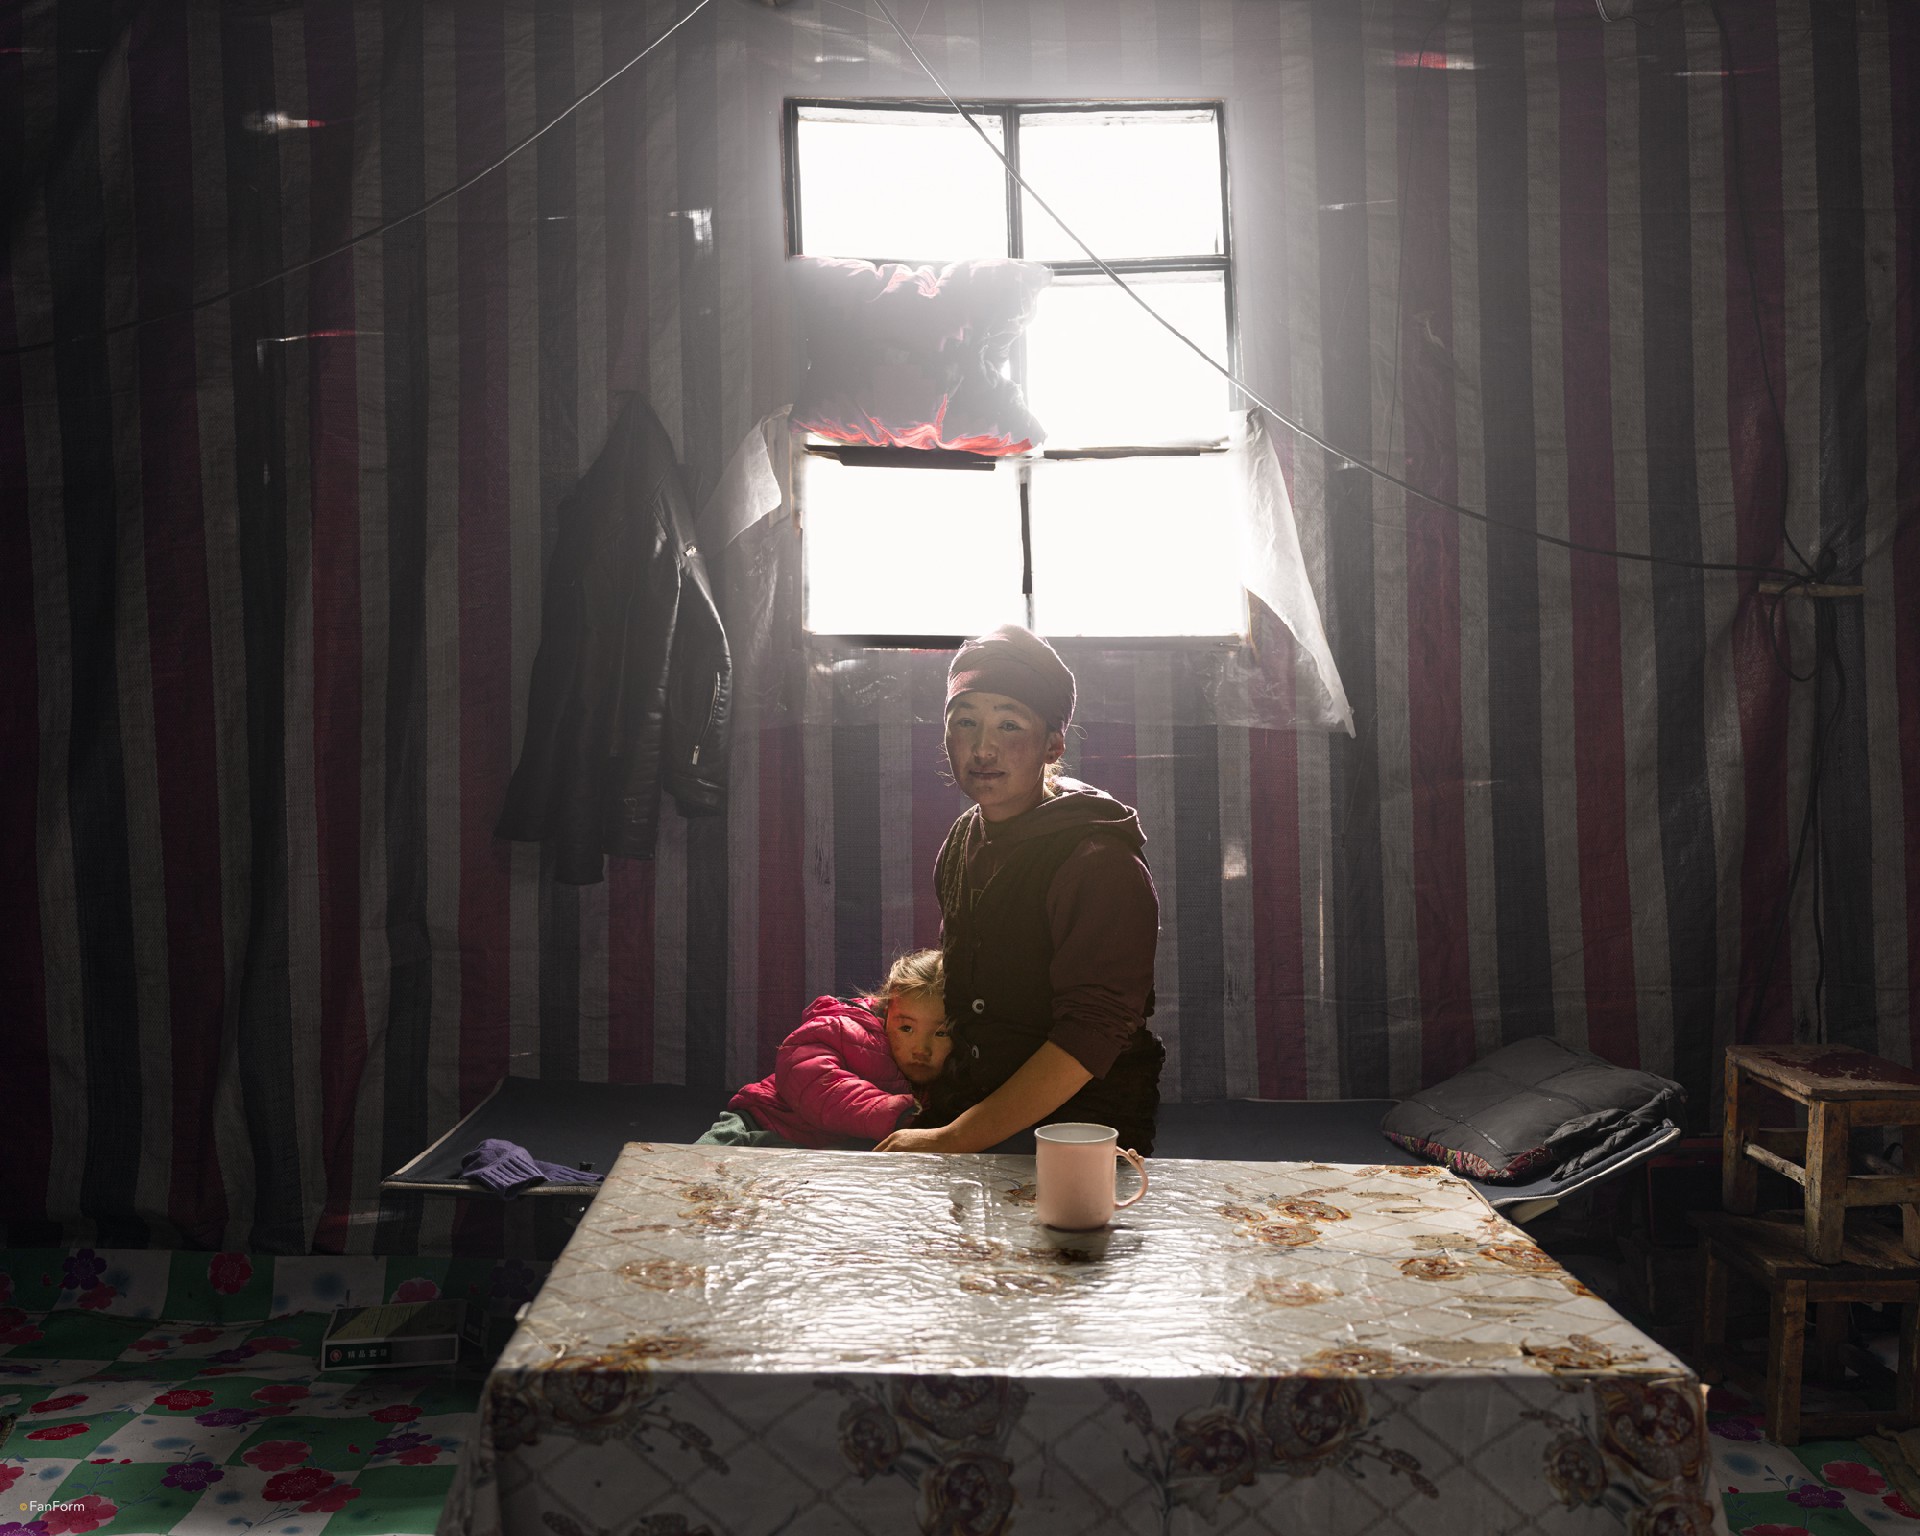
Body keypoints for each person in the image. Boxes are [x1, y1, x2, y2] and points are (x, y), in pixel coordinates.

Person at [876, 625, 1164, 1156]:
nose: (983, 748)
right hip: (973, 1102)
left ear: (1053, 744)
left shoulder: (1098, 862)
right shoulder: (963, 839)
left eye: (1009, 724)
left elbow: (1093, 1031)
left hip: (1080, 1127)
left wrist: (955, 1137)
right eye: (965, 722)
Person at [697, 949, 953, 1148]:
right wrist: (891, 1111)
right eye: (906, 1028)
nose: (922, 1049)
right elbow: (809, 1078)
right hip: (760, 1124)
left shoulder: (955, 1071)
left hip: (812, 1152)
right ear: (886, 1013)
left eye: (941, 1033)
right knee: (692, 1172)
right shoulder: (844, 1026)